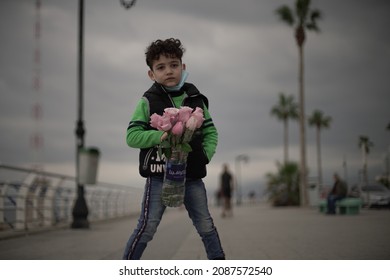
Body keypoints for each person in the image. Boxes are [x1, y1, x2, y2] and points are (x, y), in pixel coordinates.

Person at [122, 38, 225, 260]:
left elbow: (211, 132)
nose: (169, 71)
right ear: (151, 74)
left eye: (174, 65)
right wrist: (161, 135)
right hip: (159, 176)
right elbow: (131, 136)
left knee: (205, 225)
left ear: (183, 67)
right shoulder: (147, 101)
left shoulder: (196, 99)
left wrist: (205, 156)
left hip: (192, 176)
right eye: (161, 67)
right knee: (147, 228)